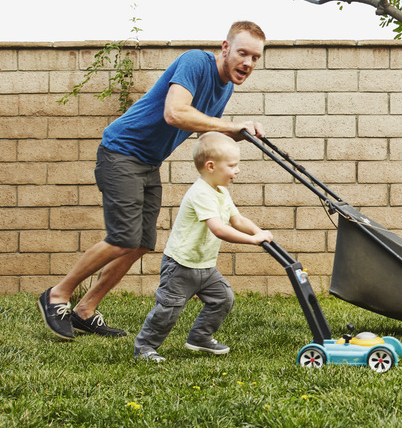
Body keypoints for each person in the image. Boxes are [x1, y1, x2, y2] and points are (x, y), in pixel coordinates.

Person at [38, 21, 267, 340]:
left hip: (148, 162)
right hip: (121, 151)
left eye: (255, 57)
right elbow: (175, 113)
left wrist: (235, 135)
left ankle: (85, 310)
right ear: (225, 48)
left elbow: (204, 129)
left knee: (142, 242)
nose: (248, 62)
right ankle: (56, 296)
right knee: (122, 237)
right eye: (243, 53)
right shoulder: (195, 62)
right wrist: (229, 125)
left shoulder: (224, 87)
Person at [134, 132, 273, 362]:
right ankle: (144, 348)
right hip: (180, 265)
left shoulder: (221, 192)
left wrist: (258, 231)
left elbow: (237, 220)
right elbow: (218, 229)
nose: (237, 170)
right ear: (211, 166)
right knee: (168, 310)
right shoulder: (200, 193)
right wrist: (251, 240)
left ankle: (199, 337)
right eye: (232, 165)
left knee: (223, 298)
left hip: (205, 265)